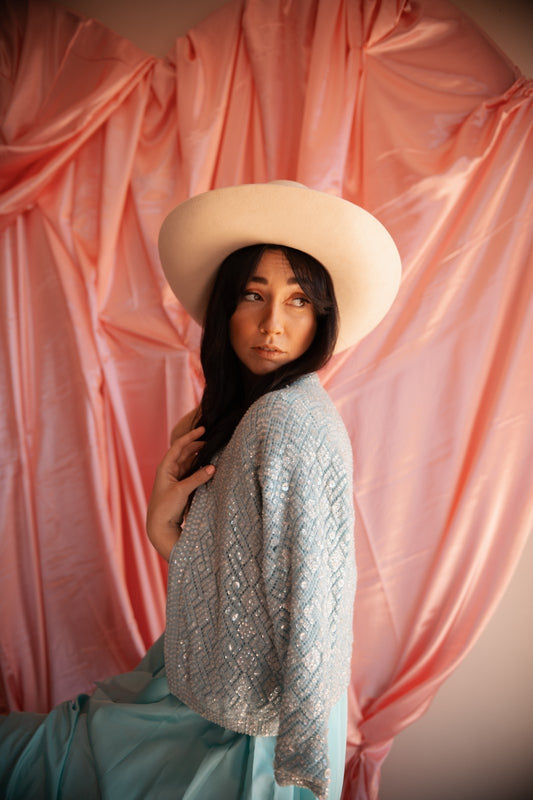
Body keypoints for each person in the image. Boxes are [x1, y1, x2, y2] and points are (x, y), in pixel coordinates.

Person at [0, 182, 401, 800]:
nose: (273, 324)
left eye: (298, 301)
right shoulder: (243, 416)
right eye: (254, 295)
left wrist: (301, 764)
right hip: (195, 690)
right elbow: (241, 580)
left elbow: (315, 606)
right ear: (226, 308)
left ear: (321, 318)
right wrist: (166, 533)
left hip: (241, 736)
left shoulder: (286, 421)